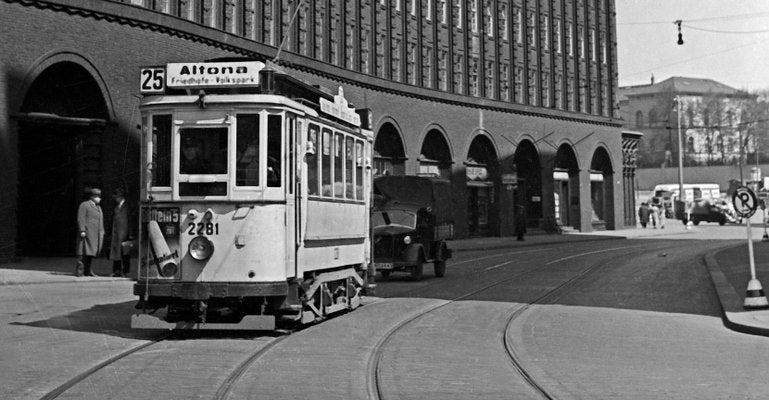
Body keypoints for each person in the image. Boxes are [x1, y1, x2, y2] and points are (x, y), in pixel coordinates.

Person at [76, 188, 104, 277]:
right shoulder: (84, 205)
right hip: (87, 233)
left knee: (90, 253)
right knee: (83, 252)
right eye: (97, 197)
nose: (99, 199)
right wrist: (82, 230)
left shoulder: (98, 207)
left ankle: (88, 271)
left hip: (94, 234)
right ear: (92, 197)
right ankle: (80, 271)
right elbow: (81, 218)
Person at [109, 188, 131, 277]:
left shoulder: (127, 207)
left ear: (120, 197)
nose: (115, 199)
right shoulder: (116, 207)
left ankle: (125, 271)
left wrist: (131, 234)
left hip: (124, 234)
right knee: (116, 253)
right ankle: (116, 271)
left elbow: (130, 221)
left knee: (125, 253)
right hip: (116, 234)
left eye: (116, 197)